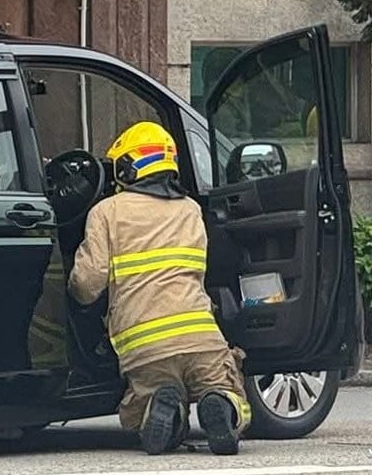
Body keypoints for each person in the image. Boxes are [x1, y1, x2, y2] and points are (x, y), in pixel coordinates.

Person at [69, 121, 250, 455]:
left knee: (141, 412)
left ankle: (164, 409)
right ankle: (219, 405)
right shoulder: (191, 210)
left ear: (127, 167)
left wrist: (71, 295)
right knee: (230, 392)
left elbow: (88, 283)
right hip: (201, 337)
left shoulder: (106, 212)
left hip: (145, 346)